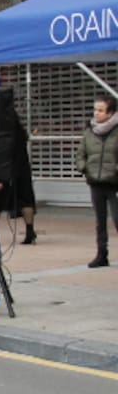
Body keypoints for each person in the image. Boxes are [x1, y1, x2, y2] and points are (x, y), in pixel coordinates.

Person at [76, 94, 118, 268]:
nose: (96, 113)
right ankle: (102, 254)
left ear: (110, 113)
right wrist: (84, 167)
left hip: (114, 183)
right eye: (95, 109)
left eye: (100, 110)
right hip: (95, 182)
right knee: (100, 222)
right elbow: (80, 154)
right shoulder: (89, 131)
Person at [0, 120, 37, 245]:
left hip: (5, 169)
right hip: (22, 168)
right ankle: (30, 231)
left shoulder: (0, 133)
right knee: (26, 199)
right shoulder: (19, 132)